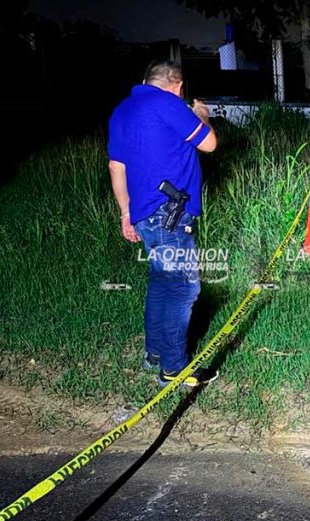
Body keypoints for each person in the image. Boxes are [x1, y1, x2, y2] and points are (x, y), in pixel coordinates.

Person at [107, 60, 219, 387]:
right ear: (178, 86)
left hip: (144, 215)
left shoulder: (122, 111)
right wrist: (200, 115)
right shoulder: (168, 103)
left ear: (144, 80)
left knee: (160, 283)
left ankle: (154, 353)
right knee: (183, 288)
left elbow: (117, 167)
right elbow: (209, 143)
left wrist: (126, 213)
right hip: (170, 215)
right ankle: (174, 368)